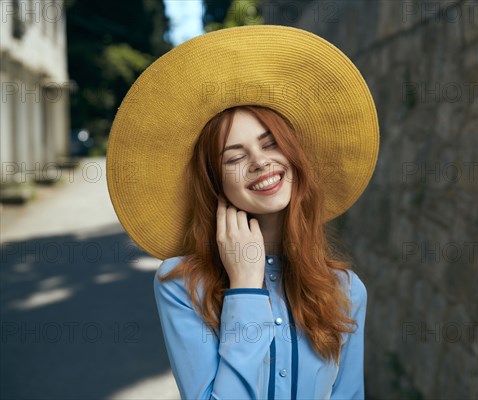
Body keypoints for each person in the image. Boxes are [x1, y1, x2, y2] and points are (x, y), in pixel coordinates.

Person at [106, 25, 379, 400]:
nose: (260, 162)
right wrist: (246, 287)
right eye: (234, 157)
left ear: (293, 156)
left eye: (271, 144)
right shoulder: (182, 285)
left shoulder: (346, 291)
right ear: (216, 181)